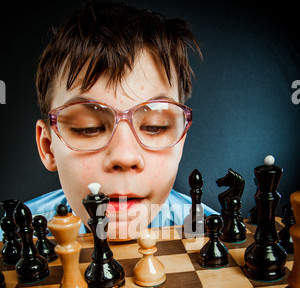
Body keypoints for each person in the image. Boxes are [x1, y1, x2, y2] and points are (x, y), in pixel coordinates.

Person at [29, 0, 216, 240]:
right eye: (89, 128)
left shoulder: (213, 233)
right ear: (48, 147)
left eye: (155, 127)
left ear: (180, 141)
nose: (125, 157)